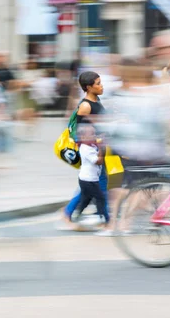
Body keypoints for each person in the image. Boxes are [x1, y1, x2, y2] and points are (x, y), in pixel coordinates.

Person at [61, 71, 108, 229]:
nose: (101, 86)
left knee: (93, 184)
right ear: (88, 87)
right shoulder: (85, 106)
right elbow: (83, 131)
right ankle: (104, 218)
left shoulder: (96, 100)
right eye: (98, 83)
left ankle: (74, 213)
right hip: (91, 149)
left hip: (98, 146)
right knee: (96, 183)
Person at [74, 124, 109, 228]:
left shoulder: (91, 145)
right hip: (89, 180)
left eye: (95, 133)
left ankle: (77, 215)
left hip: (87, 179)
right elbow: (98, 161)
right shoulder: (85, 149)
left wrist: (101, 143)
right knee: (100, 198)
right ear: (83, 137)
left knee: (86, 199)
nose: (95, 136)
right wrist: (102, 148)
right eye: (92, 134)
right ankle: (103, 218)